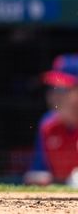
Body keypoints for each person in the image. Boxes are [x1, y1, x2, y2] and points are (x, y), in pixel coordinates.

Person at [24, 55, 78, 186]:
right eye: (52, 88)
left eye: (63, 89)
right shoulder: (48, 125)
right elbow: (38, 172)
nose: (54, 95)